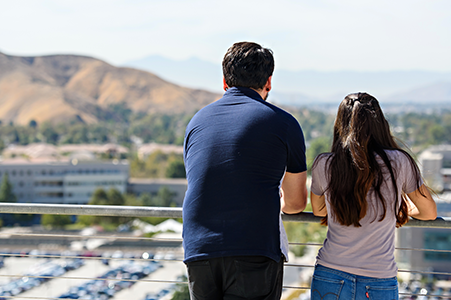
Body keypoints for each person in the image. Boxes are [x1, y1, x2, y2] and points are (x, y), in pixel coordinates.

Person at [182, 41, 308, 300]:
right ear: (269, 82)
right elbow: (295, 204)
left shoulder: (196, 122)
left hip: (199, 249)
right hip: (254, 248)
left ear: (225, 82)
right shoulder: (284, 124)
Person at [310, 92, 437, 300]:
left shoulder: (324, 164)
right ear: (380, 124)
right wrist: (397, 207)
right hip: (378, 279)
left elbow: (318, 210)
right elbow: (429, 212)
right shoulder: (399, 162)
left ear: (339, 125)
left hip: (330, 274)